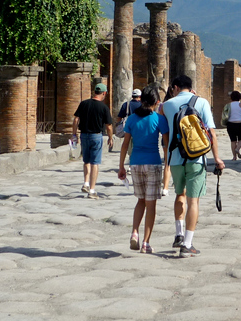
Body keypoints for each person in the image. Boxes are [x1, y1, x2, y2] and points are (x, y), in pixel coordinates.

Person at [162, 75, 225, 257]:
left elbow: (164, 131)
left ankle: (179, 234)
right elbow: (211, 133)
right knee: (193, 200)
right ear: (191, 87)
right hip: (196, 158)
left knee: (179, 194)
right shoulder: (202, 102)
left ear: (175, 87)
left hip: (174, 158)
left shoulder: (166, 106)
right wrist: (217, 158)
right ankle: (187, 244)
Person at [118, 85, 169, 254]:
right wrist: (168, 164)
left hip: (135, 163)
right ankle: (146, 242)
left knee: (140, 200)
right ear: (156, 102)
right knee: (151, 204)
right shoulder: (159, 119)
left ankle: (134, 232)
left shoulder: (132, 119)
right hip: (153, 163)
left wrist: (121, 167)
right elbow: (166, 145)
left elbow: (125, 144)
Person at [72, 83, 113, 199]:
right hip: (96, 136)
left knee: (86, 160)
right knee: (95, 163)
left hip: (84, 135)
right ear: (104, 93)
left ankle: (85, 183)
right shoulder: (104, 107)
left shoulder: (84, 104)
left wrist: (74, 134)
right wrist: (110, 137)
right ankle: (92, 190)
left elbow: (76, 120)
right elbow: (109, 126)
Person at [224, 91, 241, 161]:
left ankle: (234, 157)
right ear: (239, 98)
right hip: (239, 124)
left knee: (233, 141)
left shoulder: (228, 105)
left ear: (231, 97)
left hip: (230, 124)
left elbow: (224, 115)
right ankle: (237, 148)